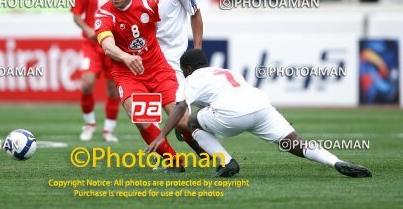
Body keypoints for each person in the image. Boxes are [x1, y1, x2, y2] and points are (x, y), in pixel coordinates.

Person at [146, 49, 372, 178]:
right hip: (262, 107)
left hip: (230, 114)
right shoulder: (227, 71)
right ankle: (335, 161)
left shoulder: (191, 79)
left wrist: (161, 135)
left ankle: (226, 162)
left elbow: (180, 108)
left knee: (190, 122)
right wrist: (282, 122)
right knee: (295, 143)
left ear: (186, 69)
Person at [95, 0, 228, 172]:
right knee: (139, 116)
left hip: (158, 69)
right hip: (128, 74)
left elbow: (153, 31)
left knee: (183, 122)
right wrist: (126, 57)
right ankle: (174, 162)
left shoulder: (148, 4)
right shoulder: (104, 14)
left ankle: (203, 151)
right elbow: (108, 46)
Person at [136, 0, 207, 155]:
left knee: (182, 121)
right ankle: (171, 160)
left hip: (172, 59)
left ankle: (203, 151)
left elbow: (195, 14)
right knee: (144, 118)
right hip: (142, 60)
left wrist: (197, 48)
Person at [71, 0, 120, 142]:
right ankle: (89, 124)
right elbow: (76, 14)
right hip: (91, 45)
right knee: (87, 84)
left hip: (113, 46)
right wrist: (87, 28)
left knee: (113, 90)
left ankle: (108, 130)